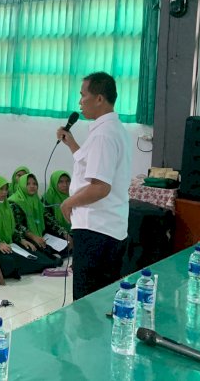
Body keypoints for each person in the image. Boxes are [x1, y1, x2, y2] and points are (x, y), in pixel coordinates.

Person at [56, 71, 132, 300]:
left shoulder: (103, 135)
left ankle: (85, 336)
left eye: (83, 95)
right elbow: (92, 165)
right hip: (109, 226)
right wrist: (71, 144)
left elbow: (100, 187)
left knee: (87, 300)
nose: (80, 102)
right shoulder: (114, 129)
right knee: (101, 297)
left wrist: (68, 202)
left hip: (96, 229)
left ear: (99, 98)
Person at [0, 174, 60, 276]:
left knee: (31, 250)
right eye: (0, 189)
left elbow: (12, 228)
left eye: (6, 189)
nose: (4, 192)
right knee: (11, 261)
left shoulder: (5, 206)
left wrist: (21, 239)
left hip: (9, 243)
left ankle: (48, 262)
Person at [9, 173, 71, 257]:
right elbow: (16, 225)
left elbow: (49, 219)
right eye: (28, 184)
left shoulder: (37, 201)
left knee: (67, 246)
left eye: (34, 184)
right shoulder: (14, 202)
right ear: (22, 185)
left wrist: (64, 233)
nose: (32, 186)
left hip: (40, 235)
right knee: (43, 257)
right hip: (22, 238)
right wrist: (34, 237)